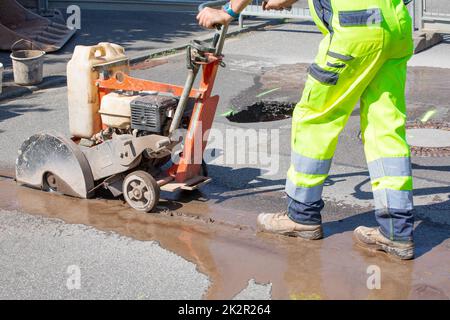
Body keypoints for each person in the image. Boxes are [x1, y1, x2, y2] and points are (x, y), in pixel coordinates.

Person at [197, 0, 415, 260]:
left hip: (357, 28)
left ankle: (301, 215)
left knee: (314, 120)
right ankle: (396, 230)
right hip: (395, 25)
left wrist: (228, 11)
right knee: (385, 128)